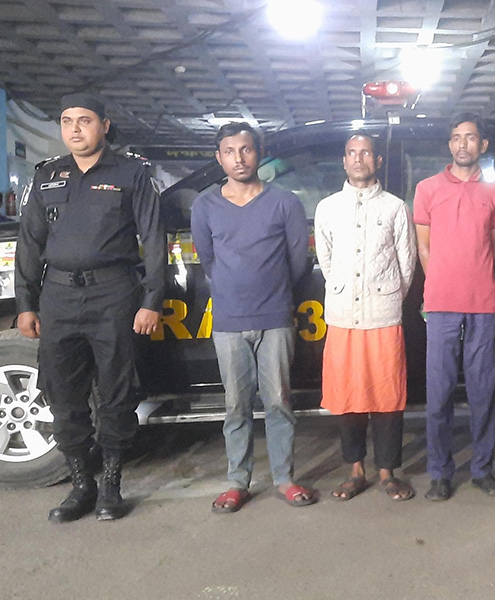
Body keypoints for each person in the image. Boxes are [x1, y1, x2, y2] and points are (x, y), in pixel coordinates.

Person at [15, 93, 166, 522]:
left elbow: (154, 239)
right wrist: (26, 302)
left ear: (104, 125)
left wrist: (152, 299)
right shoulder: (47, 175)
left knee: (117, 393)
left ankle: (111, 486)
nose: (75, 129)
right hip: (58, 296)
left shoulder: (131, 174)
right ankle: (82, 485)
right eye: (67, 121)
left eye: (84, 120)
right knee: (62, 395)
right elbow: (30, 242)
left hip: (113, 295)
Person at [191, 122, 316, 513]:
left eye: (246, 149)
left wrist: (274, 293)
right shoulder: (205, 206)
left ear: (258, 154)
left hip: (275, 318)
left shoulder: (284, 203)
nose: (239, 158)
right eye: (230, 151)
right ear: (219, 158)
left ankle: (285, 479)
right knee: (236, 406)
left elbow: (298, 262)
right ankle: (237, 482)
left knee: (279, 401)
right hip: (228, 322)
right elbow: (208, 260)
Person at [316, 133, 417, 502]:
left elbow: (407, 264)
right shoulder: (328, 208)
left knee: (387, 395)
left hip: (383, 316)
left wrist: (384, 297)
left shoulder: (395, 208)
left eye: (366, 153)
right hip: (343, 316)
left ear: (378, 161)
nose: (358, 159)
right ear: (344, 161)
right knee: (348, 395)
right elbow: (326, 261)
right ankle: (355, 470)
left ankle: (388, 471)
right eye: (352, 153)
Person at [414, 114, 495, 501]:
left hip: (483, 303)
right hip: (440, 305)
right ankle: (440, 472)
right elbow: (423, 247)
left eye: (470, 138)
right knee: (439, 394)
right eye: (456, 138)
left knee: (483, 391)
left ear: (482, 145)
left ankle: (483, 469)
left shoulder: (494, 191)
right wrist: (442, 280)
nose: (463, 144)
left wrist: (474, 272)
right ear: (450, 144)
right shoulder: (427, 189)